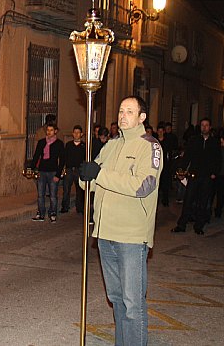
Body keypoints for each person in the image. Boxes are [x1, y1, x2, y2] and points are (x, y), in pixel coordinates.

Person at [78, 95, 161, 346]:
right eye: (121, 111)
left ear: (141, 117)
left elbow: (143, 186)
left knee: (133, 303)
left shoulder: (150, 146)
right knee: (116, 299)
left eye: (129, 111)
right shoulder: (112, 145)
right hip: (105, 235)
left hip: (131, 237)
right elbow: (91, 183)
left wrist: (101, 173)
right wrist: (85, 174)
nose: (122, 115)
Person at [171, 118, 220, 235]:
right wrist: (181, 170)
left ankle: (199, 226)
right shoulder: (194, 140)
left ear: (210, 127)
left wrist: (214, 172)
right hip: (194, 175)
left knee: (203, 202)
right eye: (202, 125)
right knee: (188, 200)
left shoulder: (214, 142)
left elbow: (218, 159)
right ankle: (181, 225)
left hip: (207, 176)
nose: (204, 127)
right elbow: (187, 156)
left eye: (206, 125)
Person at [29, 122, 64, 223]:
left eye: (51, 130)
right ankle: (41, 213)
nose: (49, 132)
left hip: (53, 172)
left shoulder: (59, 144)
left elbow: (62, 160)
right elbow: (36, 156)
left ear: (55, 131)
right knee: (40, 194)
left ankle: (53, 213)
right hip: (42, 171)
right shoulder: (41, 142)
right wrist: (32, 168)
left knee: (53, 195)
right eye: (48, 130)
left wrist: (58, 174)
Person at [61, 125, 85, 214]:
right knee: (66, 188)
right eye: (75, 132)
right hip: (69, 169)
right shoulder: (68, 145)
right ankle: (65, 206)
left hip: (79, 170)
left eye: (78, 133)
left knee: (80, 190)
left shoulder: (84, 146)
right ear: (72, 134)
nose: (76, 134)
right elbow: (64, 157)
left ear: (81, 134)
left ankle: (79, 207)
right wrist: (64, 168)